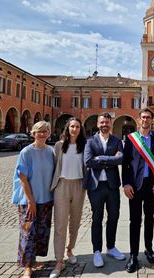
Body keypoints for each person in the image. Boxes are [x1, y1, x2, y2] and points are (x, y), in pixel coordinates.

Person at [122, 108, 154, 273]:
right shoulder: (131, 139)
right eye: (143, 117)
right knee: (135, 220)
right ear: (138, 120)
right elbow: (125, 164)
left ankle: (148, 248)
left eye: (148, 117)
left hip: (151, 185)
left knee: (150, 219)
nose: (146, 120)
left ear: (152, 121)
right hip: (135, 186)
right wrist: (125, 183)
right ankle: (133, 255)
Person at [12, 121, 54, 278]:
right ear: (33, 133)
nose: (42, 134)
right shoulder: (26, 152)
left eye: (45, 131)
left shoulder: (50, 152)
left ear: (49, 133)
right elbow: (22, 178)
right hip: (29, 200)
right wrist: (31, 201)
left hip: (46, 199)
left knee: (41, 232)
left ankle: (33, 260)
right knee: (28, 233)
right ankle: (27, 266)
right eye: (39, 131)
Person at [84, 112, 125, 268]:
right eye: (102, 122)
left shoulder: (116, 140)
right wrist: (110, 160)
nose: (104, 125)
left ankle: (111, 247)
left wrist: (100, 158)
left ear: (111, 124)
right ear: (98, 124)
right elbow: (88, 161)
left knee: (114, 216)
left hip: (112, 185)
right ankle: (96, 251)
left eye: (107, 122)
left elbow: (121, 159)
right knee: (97, 218)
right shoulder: (90, 141)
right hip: (95, 186)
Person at [49, 118, 87, 278]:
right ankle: (59, 261)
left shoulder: (85, 146)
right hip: (62, 185)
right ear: (68, 128)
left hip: (79, 185)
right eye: (72, 126)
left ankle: (69, 249)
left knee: (75, 222)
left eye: (77, 126)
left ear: (80, 129)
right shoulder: (58, 146)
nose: (74, 129)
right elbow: (54, 166)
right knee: (60, 223)